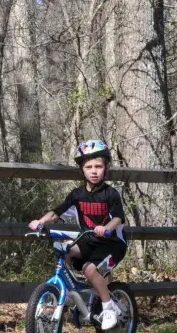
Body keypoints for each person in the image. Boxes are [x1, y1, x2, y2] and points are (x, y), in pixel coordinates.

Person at [26, 140, 128, 330]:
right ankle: (72, 296)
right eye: (88, 167)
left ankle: (108, 307)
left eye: (98, 166)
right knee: (65, 251)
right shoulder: (77, 195)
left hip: (113, 244)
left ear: (106, 168)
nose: (94, 171)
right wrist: (40, 221)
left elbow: (118, 219)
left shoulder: (111, 194)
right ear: (82, 170)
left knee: (90, 269)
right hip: (89, 240)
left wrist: (105, 228)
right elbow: (56, 212)